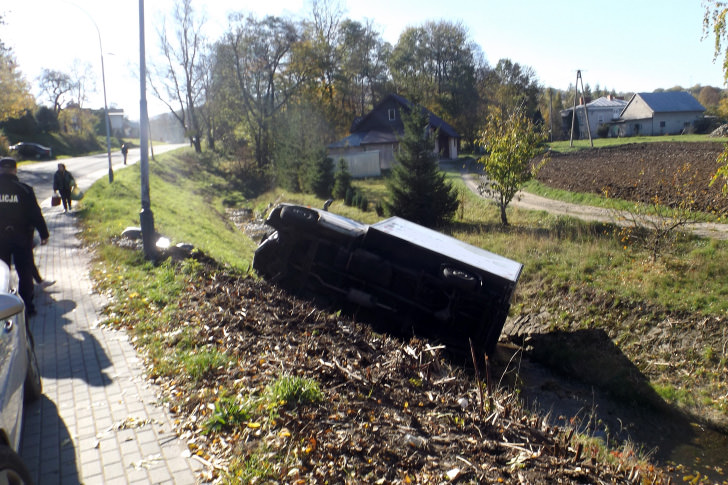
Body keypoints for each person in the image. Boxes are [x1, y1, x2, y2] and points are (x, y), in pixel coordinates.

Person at [0, 157, 49, 317]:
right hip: (22, 238)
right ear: (15, 170)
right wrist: (44, 233)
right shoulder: (24, 189)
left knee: (1, 274)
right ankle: (27, 307)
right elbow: (35, 214)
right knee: (25, 273)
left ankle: (4, 310)